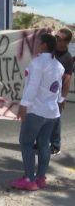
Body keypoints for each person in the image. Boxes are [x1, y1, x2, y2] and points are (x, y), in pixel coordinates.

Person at [12, 33, 64, 191]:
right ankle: (41, 177)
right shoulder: (58, 65)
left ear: (44, 45)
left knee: (26, 143)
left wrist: (23, 106)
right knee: (44, 145)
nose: (35, 44)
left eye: (38, 42)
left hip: (36, 110)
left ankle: (29, 179)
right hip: (51, 112)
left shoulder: (37, 63)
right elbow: (58, 90)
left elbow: (33, 86)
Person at [50, 28, 74, 155]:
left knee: (55, 120)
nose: (57, 40)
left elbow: (67, 80)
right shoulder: (51, 50)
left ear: (66, 43)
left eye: (59, 39)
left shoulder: (67, 58)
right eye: (56, 38)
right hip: (45, 93)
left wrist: (63, 98)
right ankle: (42, 141)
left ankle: (55, 144)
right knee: (42, 119)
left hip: (57, 94)